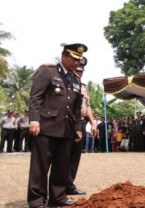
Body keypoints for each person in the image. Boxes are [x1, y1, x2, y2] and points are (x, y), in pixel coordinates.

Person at [27, 43, 86, 208]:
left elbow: (75, 107)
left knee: (62, 166)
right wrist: (34, 120)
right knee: (40, 167)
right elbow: (36, 97)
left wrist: (77, 128)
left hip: (66, 129)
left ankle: (57, 197)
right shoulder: (48, 71)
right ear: (63, 56)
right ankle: (37, 200)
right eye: (73, 59)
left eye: (78, 60)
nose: (76, 63)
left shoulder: (75, 79)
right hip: (46, 126)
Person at [66, 57, 97, 196]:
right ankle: (60, 186)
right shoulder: (66, 82)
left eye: (82, 70)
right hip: (69, 121)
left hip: (82, 122)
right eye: (77, 69)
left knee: (75, 156)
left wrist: (93, 122)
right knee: (64, 154)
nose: (79, 72)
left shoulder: (83, 86)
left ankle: (69, 185)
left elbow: (87, 106)